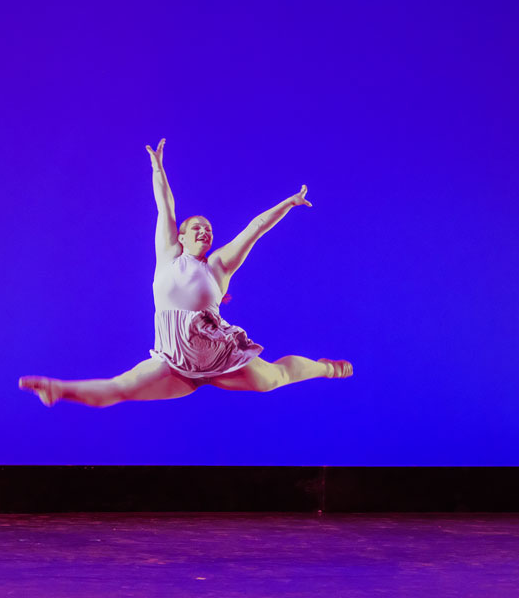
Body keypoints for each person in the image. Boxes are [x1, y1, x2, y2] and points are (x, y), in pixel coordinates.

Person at [19, 138, 352, 407]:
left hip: (222, 357)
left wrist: (288, 204)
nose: (204, 231)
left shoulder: (219, 266)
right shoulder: (168, 257)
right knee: (120, 388)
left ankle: (326, 367)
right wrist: (157, 168)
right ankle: (58, 389)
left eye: (208, 229)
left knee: (274, 379)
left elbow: (256, 228)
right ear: (181, 235)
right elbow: (166, 205)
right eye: (197, 227)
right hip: (175, 362)